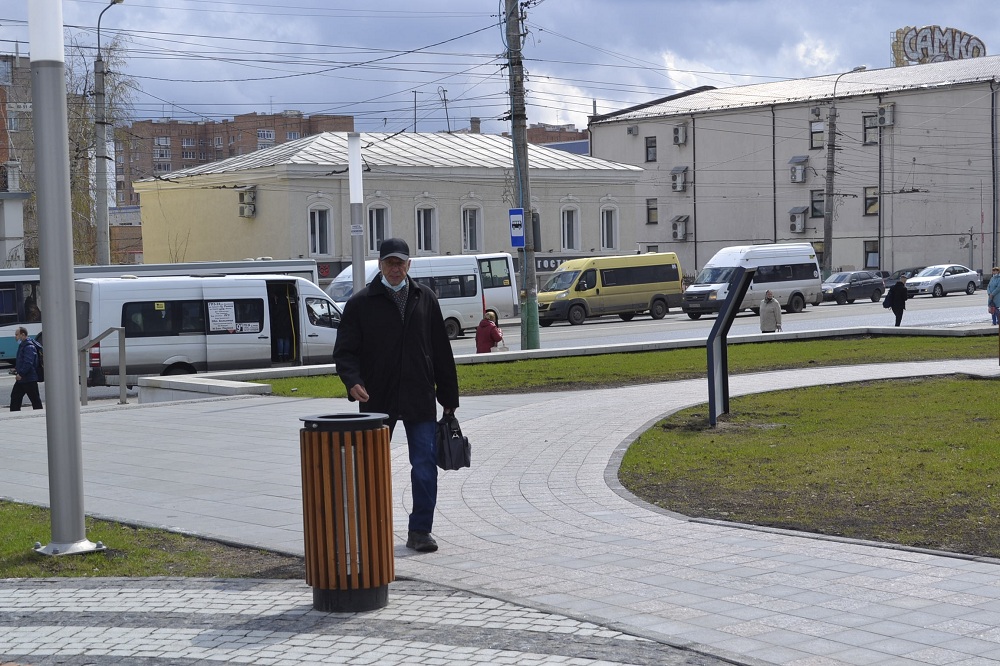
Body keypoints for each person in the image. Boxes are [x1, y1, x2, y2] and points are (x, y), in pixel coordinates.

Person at [333, 238, 459, 553]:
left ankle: (420, 531)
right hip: (376, 399)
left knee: (425, 466)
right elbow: (345, 352)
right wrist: (352, 381)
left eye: (400, 262)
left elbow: (441, 351)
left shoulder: (424, 298)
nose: (395, 268)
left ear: (409, 265)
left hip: (419, 397)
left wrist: (449, 399)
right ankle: (374, 531)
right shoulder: (360, 303)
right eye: (390, 262)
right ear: (380, 265)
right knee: (372, 468)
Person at [9, 326, 42, 411]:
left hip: (29, 378)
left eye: (17, 335)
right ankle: (14, 414)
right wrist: (17, 369)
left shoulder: (29, 347)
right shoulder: (23, 345)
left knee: (35, 400)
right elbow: (22, 361)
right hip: (23, 379)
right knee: (15, 397)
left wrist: (21, 373)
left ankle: (39, 415)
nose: (15, 337)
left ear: (23, 335)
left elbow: (28, 362)